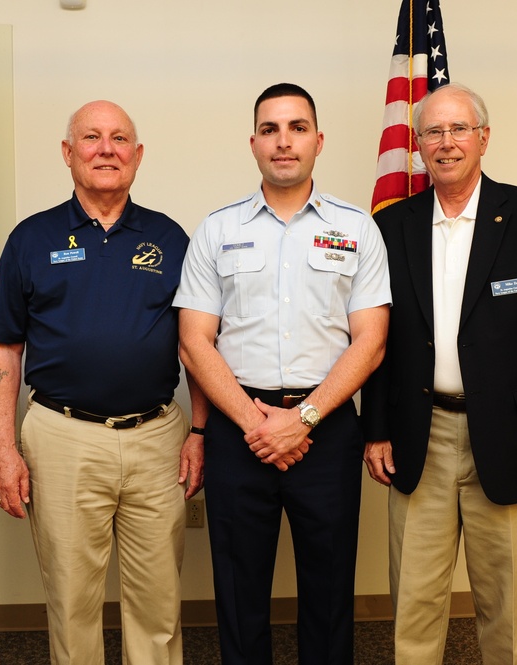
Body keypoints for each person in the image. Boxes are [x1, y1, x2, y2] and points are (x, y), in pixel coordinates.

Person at [360, 84, 517, 665]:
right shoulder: (392, 225)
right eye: (433, 132)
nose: (446, 143)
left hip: (511, 440)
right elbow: (379, 336)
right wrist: (376, 428)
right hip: (420, 436)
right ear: (417, 145)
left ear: (484, 137)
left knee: (507, 612)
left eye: (459, 129)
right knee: (413, 605)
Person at [0, 100, 204, 665]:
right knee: (72, 599)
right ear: (67, 152)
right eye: (91, 137)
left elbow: (198, 345)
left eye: (120, 138)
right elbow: (2, 346)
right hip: (62, 437)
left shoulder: (171, 238)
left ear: (138, 155)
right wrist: (3, 449)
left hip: (158, 438)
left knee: (158, 600)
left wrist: (199, 431)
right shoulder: (31, 239)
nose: (107, 149)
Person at [174, 83, 391, 664]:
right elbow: (194, 342)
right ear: (253, 144)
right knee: (239, 592)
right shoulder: (217, 229)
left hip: (326, 430)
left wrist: (304, 418)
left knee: (328, 590)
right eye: (270, 129)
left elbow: (370, 343)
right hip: (238, 428)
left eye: (297, 128)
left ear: (319, 140)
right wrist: (256, 422)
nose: (283, 141)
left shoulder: (357, 228)